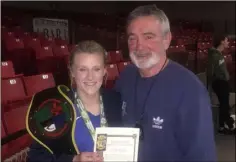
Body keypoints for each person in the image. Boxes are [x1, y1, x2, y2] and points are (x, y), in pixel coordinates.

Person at [115, 4, 217, 161]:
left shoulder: (190, 89)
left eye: (148, 37)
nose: (139, 46)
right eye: (132, 38)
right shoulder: (126, 76)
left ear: (166, 39)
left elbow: (201, 156)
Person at [26, 40, 123, 162]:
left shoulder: (116, 101)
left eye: (96, 69)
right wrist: (73, 160)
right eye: (83, 69)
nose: (90, 77)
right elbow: (35, 157)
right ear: (72, 71)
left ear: (104, 71)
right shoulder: (56, 107)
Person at [207, 34, 235, 134]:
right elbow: (210, 72)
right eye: (227, 40)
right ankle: (225, 126)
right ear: (222, 41)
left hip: (223, 82)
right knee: (224, 105)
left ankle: (225, 125)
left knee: (225, 105)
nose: (228, 43)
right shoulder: (214, 55)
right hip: (219, 82)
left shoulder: (219, 54)